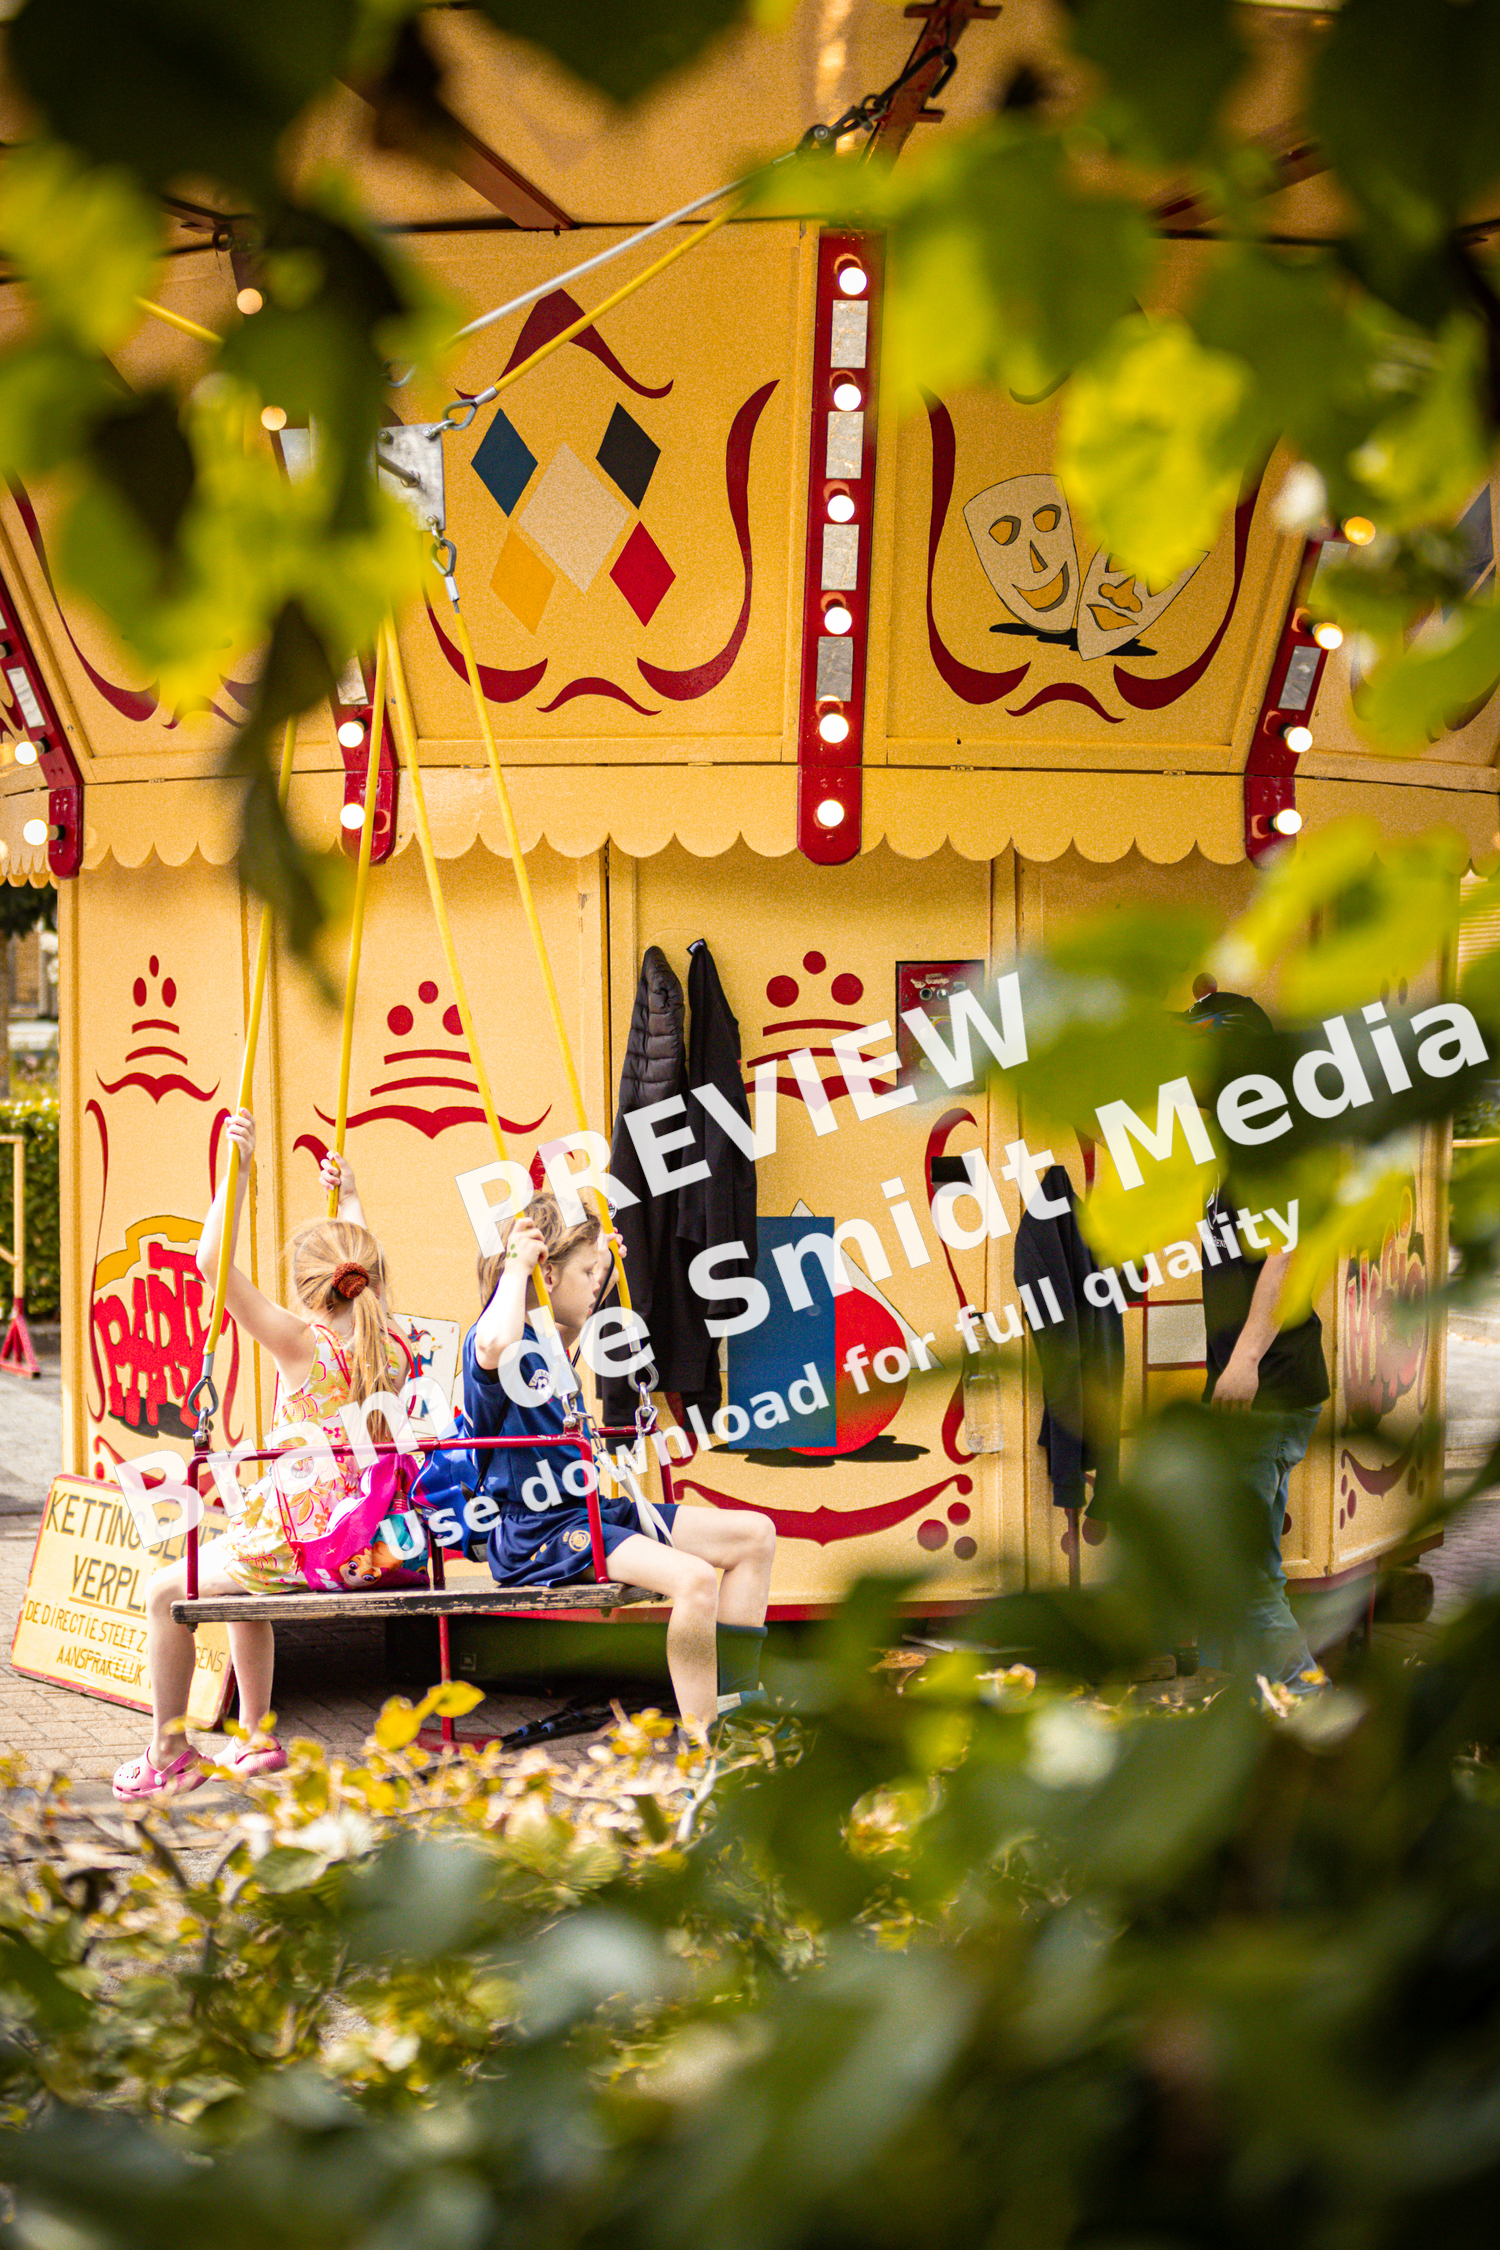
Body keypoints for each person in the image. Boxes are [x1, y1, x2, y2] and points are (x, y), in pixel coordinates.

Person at [112, 1114, 412, 1799]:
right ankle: (256, 1735)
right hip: (362, 1539)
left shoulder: (302, 1344)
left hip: (303, 1544)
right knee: (246, 1587)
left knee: (164, 1593)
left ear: (312, 1288)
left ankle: (169, 1753)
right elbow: (376, 1274)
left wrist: (237, 1172)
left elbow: (211, 1265)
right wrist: (354, 1198)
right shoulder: (390, 1340)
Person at [466, 1194, 776, 1734]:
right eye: (586, 1272)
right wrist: (517, 1267)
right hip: (537, 1528)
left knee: (754, 1535)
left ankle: (737, 1706)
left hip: (586, 1510)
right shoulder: (494, 1344)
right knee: (695, 1580)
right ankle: (707, 1747)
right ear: (547, 1272)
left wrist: (605, 1267)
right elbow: (496, 1338)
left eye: (599, 1274)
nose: (596, 1284)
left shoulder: (552, 1344)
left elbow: (565, 1315)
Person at [1189, 989, 1331, 1694]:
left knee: (1245, 1567)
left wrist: (1243, 1360)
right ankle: (1228, 1710)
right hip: (1250, 1381)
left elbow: (1292, 1257)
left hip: (1268, 1380)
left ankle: (1314, 1704)